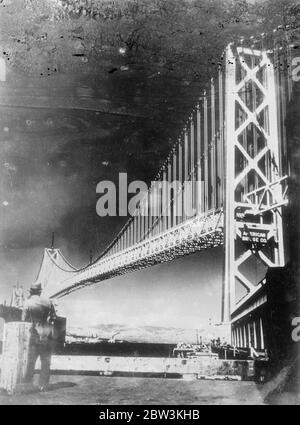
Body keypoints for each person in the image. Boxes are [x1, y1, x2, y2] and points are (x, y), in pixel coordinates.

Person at [22, 281, 57, 391]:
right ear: (40, 291)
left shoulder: (27, 303)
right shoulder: (48, 302)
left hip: (34, 334)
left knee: (30, 361)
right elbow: (53, 318)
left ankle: (28, 385)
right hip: (46, 334)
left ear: (31, 291)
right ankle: (43, 385)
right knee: (46, 362)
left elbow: (23, 319)